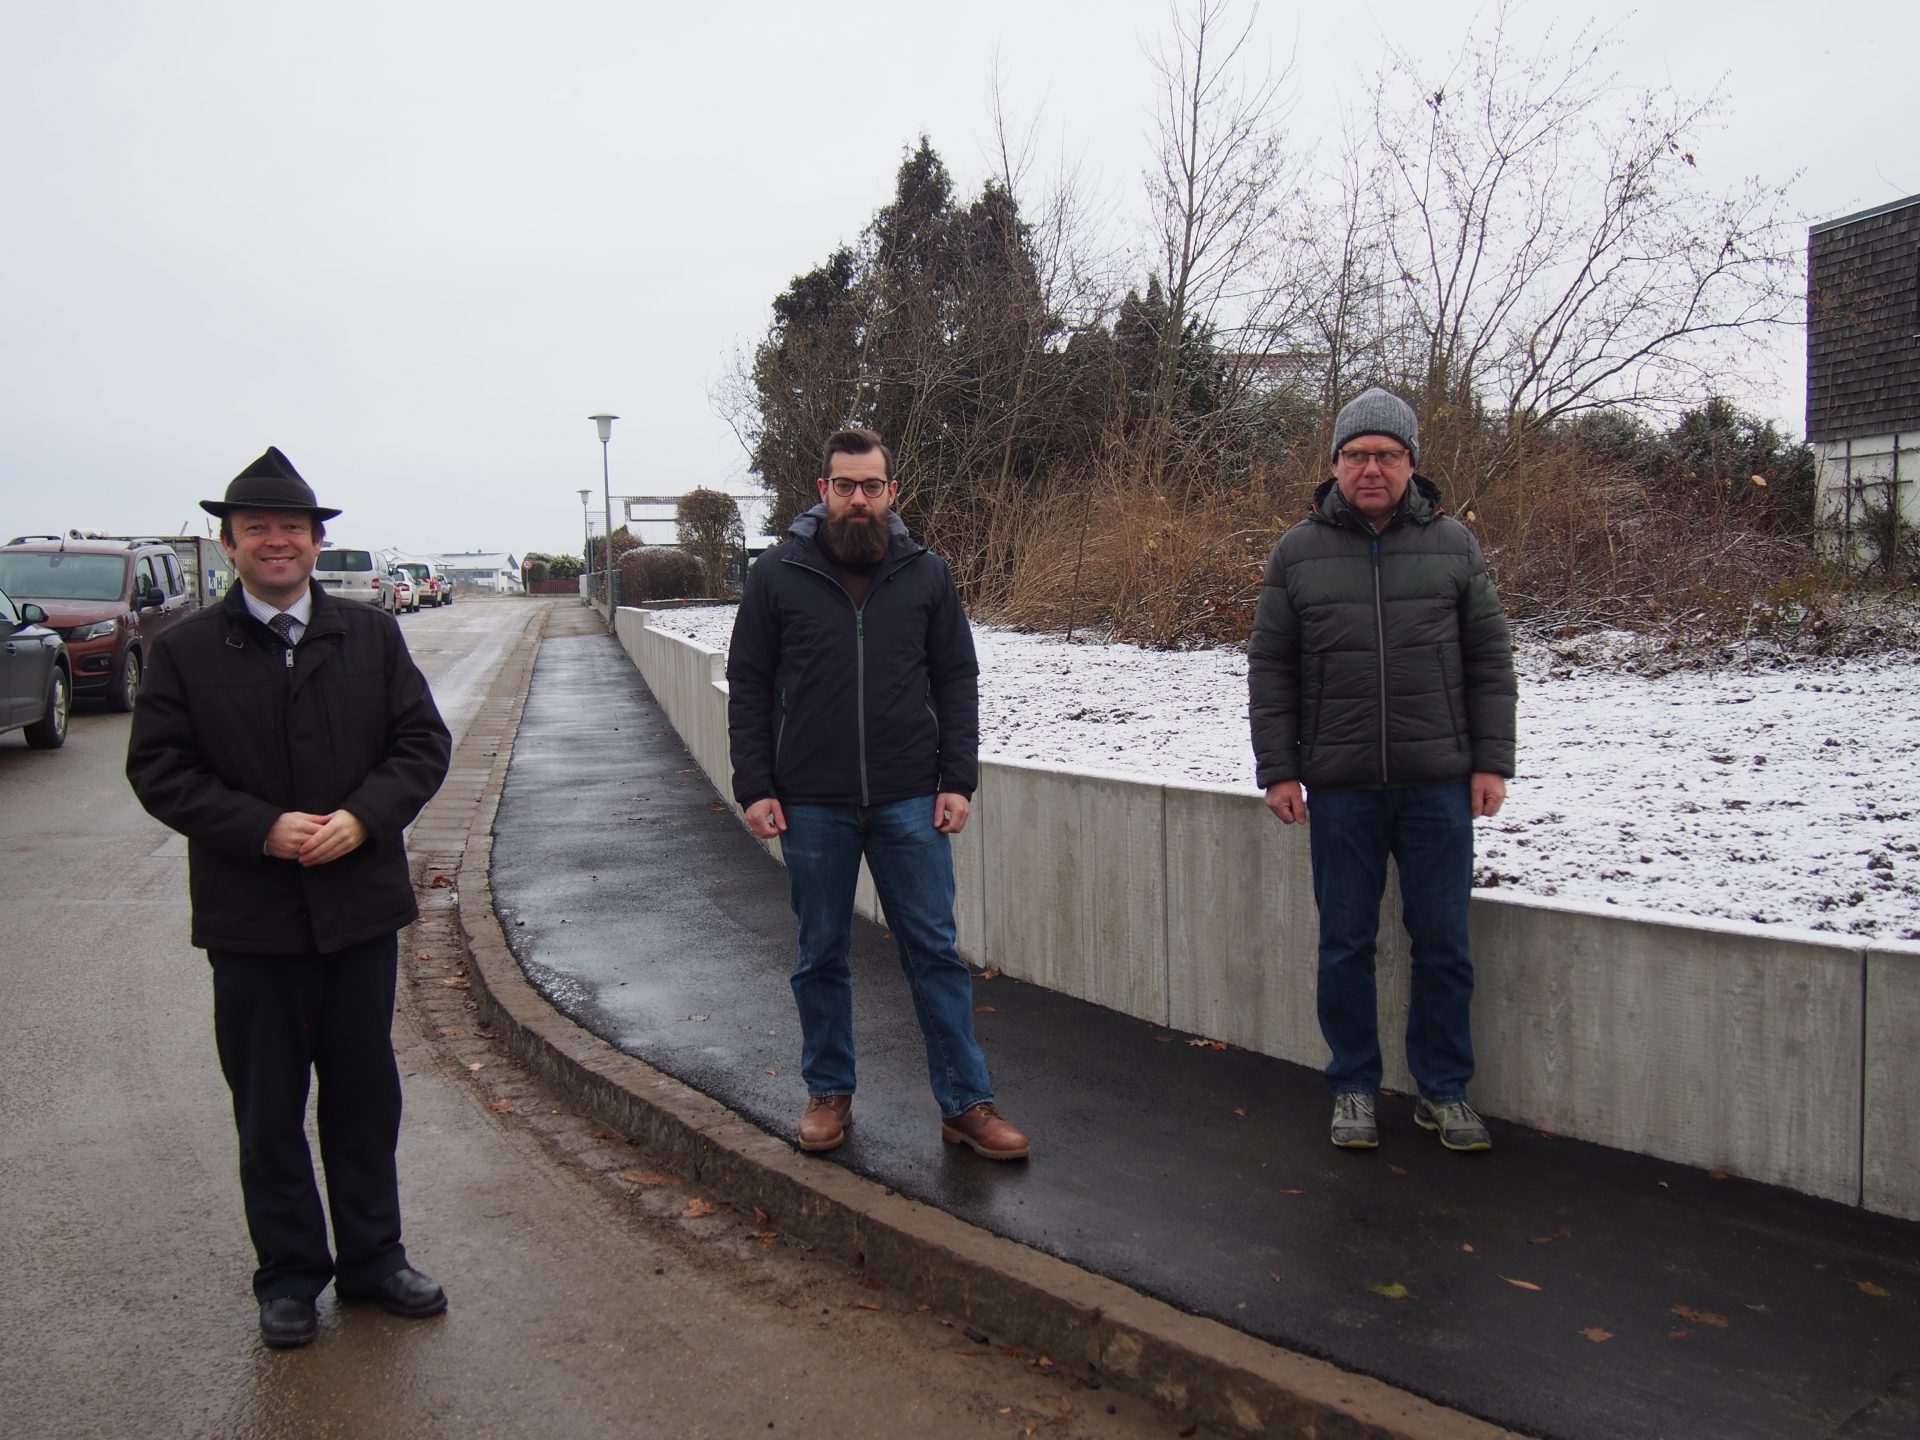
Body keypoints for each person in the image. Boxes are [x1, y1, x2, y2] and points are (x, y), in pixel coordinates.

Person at [126, 447, 453, 1348]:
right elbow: (158, 770)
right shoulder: (185, 651)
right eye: (258, 529)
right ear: (229, 543)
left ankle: (374, 1260)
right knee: (268, 1104)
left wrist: (363, 817)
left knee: (362, 1093)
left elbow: (421, 746)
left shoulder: (371, 636)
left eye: (294, 529)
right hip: (251, 917)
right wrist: (262, 828)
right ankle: (288, 1275)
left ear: (316, 543)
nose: (278, 542)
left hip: (356, 908)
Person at [726, 427, 1028, 1161]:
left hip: (908, 798)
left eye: (870, 486)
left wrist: (957, 778)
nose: (857, 499)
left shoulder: (927, 573)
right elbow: (752, 685)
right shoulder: (778, 574)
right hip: (812, 801)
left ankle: (966, 1103)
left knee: (933, 951)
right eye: (843, 485)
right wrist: (755, 784)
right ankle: (829, 1094)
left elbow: (957, 677)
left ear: (892, 492)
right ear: (821, 491)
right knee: (820, 953)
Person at [1248, 389, 1517, 1153]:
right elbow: (1271, 669)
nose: (1372, 468)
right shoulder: (1297, 552)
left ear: (1410, 465)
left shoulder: (1454, 546)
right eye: (1358, 455)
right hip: (1341, 786)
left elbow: (1490, 662)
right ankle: (1355, 1085)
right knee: (1345, 942)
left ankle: (1445, 1090)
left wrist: (1491, 761)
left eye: (1387, 455)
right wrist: (1279, 770)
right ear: (1334, 465)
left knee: (1443, 941)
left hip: (1438, 782)